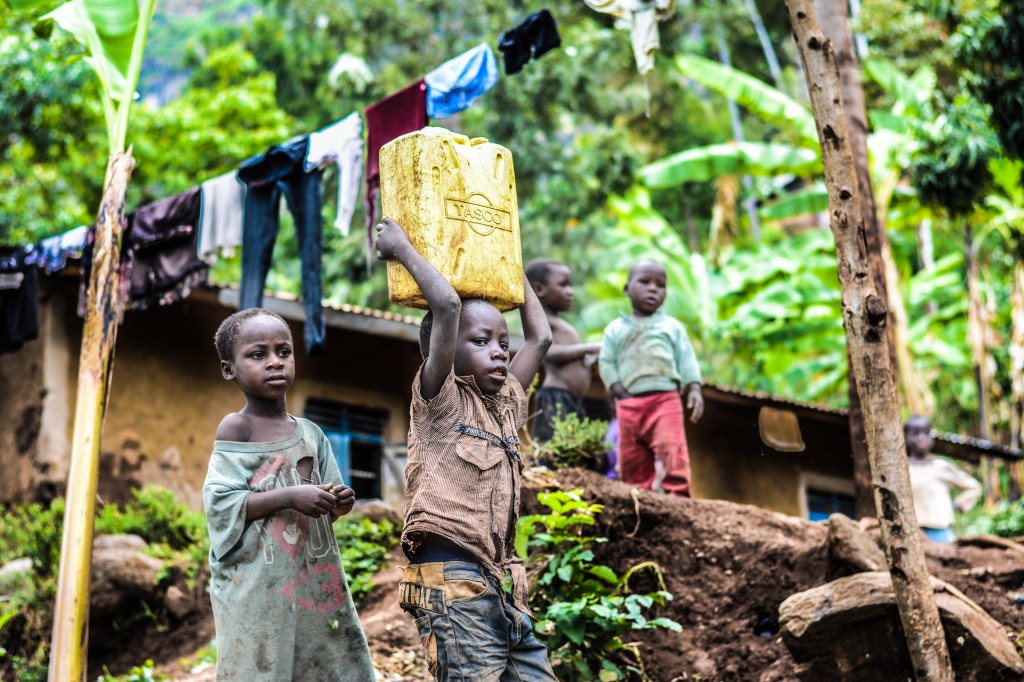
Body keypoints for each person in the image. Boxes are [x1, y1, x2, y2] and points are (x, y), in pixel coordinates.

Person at [375, 217, 556, 681]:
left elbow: (541, 338)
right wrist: (402, 248)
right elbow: (447, 306)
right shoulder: (440, 399)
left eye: (502, 342)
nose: (499, 352)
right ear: (444, 351)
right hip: (451, 582)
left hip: (503, 586)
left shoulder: (508, 403)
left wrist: (508, 262)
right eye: (481, 342)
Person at [203, 308, 375, 681]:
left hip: (311, 577)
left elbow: (329, 500)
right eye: (258, 354)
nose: (275, 362)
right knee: (260, 665)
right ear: (229, 369)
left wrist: (339, 501)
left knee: (322, 661)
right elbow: (221, 504)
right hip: (254, 586)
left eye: (283, 351)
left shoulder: (310, 433)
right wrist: (290, 497)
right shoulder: (237, 428)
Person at [599, 259, 704, 497]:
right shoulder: (615, 329)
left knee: (672, 451)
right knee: (632, 458)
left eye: (660, 284)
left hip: (666, 401)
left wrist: (694, 388)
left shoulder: (672, 326)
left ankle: (678, 497)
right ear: (627, 289)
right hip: (628, 404)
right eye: (644, 282)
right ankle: (638, 500)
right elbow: (606, 362)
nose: (653, 289)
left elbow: (686, 359)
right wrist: (617, 389)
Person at [525, 259, 602, 442]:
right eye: (563, 285)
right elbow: (547, 352)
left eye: (571, 286)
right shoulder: (542, 322)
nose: (571, 292)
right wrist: (590, 348)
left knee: (570, 450)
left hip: (570, 399)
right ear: (540, 289)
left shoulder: (560, 323)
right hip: (556, 397)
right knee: (553, 451)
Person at [905, 415, 982, 543]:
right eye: (915, 433)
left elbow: (974, 487)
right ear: (905, 437)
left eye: (925, 433)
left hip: (941, 532)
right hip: (912, 533)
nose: (921, 438)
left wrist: (958, 504)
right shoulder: (901, 469)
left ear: (931, 438)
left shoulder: (941, 466)